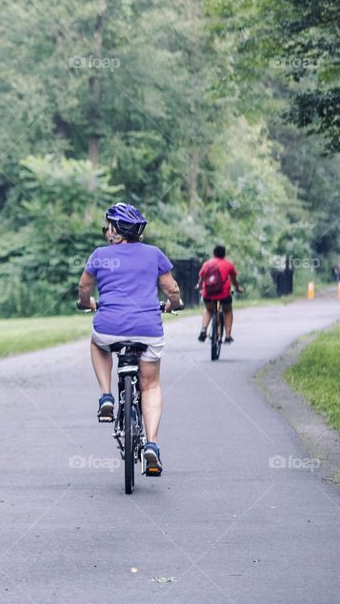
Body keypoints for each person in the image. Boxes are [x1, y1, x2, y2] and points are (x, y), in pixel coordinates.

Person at [77, 203, 182, 476]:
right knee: (150, 385)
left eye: (107, 226)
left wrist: (87, 303)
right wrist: (174, 304)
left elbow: (84, 287)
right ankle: (152, 445)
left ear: (114, 230)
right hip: (148, 330)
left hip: (108, 328)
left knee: (97, 343)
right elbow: (172, 289)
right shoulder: (154, 254)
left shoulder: (100, 255)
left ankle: (106, 396)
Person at [195, 245, 242, 344]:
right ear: (224, 254)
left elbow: (201, 279)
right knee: (227, 310)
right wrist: (238, 288)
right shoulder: (228, 264)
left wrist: (199, 286)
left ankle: (204, 329)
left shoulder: (207, 264)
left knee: (208, 309)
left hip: (208, 294)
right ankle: (228, 336)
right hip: (224, 294)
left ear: (214, 253)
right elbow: (234, 280)